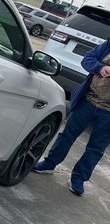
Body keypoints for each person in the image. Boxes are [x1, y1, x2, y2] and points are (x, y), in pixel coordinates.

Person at [33, 38, 110, 196]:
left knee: (96, 148)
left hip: (108, 114)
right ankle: (49, 164)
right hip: (88, 101)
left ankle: (79, 179)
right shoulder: (108, 45)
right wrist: (100, 67)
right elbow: (87, 59)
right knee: (67, 135)